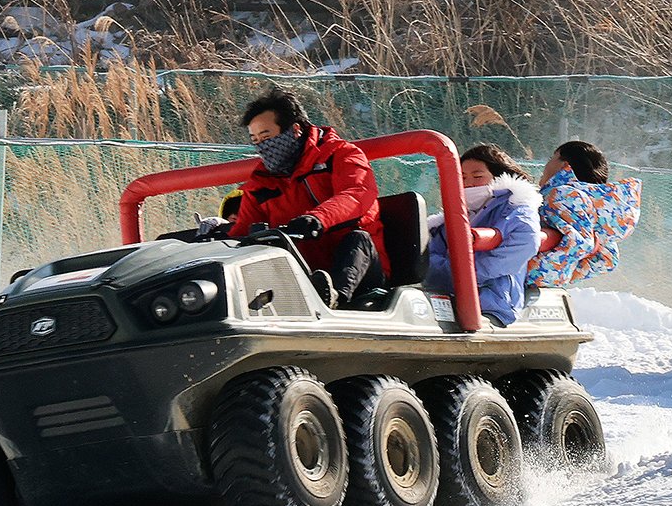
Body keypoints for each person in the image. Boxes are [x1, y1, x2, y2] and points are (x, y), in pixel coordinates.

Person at [226, 88, 388, 308]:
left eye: (267, 137)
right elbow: (243, 230)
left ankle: (333, 300)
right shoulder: (262, 183)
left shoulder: (340, 155)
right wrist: (218, 241)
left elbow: (357, 195)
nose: (262, 147)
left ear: (295, 130)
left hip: (361, 271)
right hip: (300, 273)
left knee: (357, 239)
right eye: (256, 141)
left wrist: (318, 219)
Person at [425, 144, 542, 327]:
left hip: (493, 297)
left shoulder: (515, 208)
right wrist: (443, 273)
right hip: (449, 291)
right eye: (462, 177)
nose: (469, 183)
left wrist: (470, 274)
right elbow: (433, 251)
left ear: (497, 176)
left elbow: (525, 242)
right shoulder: (453, 216)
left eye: (478, 176)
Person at [527, 141, 641, 287]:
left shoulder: (562, 195)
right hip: (547, 284)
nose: (546, 164)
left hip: (534, 278)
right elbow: (607, 259)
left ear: (564, 165)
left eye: (551, 158)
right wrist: (565, 275)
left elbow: (579, 243)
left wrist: (533, 273)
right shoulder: (593, 207)